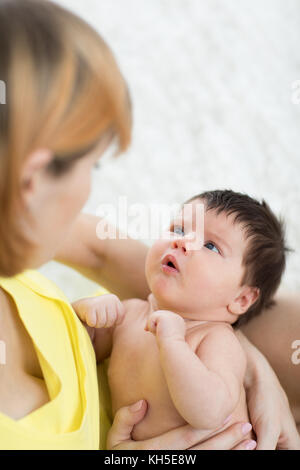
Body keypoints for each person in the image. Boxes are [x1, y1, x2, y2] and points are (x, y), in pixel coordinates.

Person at [0, 0, 299, 450]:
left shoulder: (19, 235)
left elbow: (101, 255)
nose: (182, 244)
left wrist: (244, 359)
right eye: (94, 166)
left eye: (210, 245)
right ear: (33, 178)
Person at [72, 190, 288, 449]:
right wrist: (87, 311)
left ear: (241, 299)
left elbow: (210, 412)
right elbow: (73, 349)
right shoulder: (128, 314)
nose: (182, 242)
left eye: (211, 246)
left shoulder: (217, 341)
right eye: (178, 229)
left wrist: (173, 343)